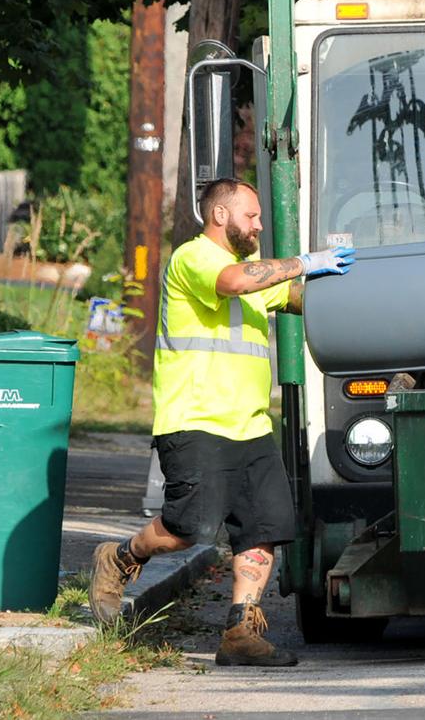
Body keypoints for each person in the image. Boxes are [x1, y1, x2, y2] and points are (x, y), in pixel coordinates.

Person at [87, 178, 354, 667]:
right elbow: (235, 281)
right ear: (220, 216)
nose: (258, 225)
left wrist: (347, 287)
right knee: (189, 527)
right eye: (251, 216)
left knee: (263, 527)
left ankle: (240, 632)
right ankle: (122, 556)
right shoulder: (194, 258)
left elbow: (294, 298)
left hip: (250, 425)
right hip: (195, 419)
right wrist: (304, 261)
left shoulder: (251, 277)